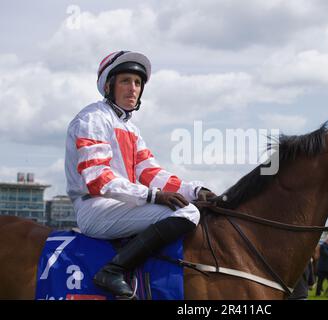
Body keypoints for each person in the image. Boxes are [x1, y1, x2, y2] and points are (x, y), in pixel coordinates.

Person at [65, 50, 216, 298]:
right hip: (95, 208)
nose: (133, 88)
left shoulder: (131, 129)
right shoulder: (92, 118)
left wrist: (196, 190)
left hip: (120, 205)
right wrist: (153, 196)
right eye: (125, 81)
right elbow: (97, 177)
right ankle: (113, 271)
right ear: (109, 86)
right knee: (188, 212)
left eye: (137, 83)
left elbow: (153, 174)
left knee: (193, 205)